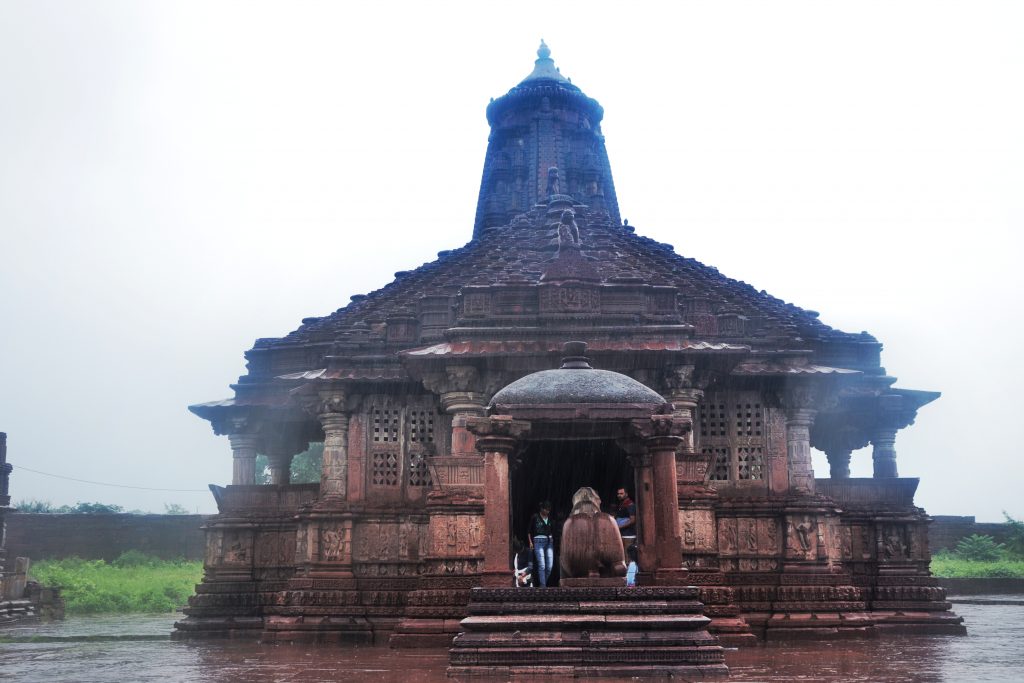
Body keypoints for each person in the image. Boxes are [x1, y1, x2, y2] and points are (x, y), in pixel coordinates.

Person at [528, 500, 555, 587]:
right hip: (538, 541)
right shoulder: (535, 517)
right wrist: (530, 542)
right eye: (546, 510)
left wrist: (551, 537)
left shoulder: (550, 518)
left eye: (549, 510)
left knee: (549, 567)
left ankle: (542, 585)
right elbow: (529, 531)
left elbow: (551, 530)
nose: (547, 511)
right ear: (542, 509)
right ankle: (543, 587)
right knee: (542, 565)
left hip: (549, 543)